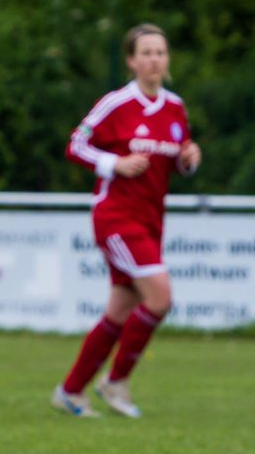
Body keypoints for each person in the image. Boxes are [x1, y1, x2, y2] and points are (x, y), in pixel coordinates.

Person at [52, 23, 201, 418]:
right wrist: (115, 163)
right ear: (132, 60)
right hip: (116, 217)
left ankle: (70, 392)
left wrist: (188, 161)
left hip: (152, 219)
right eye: (147, 52)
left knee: (120, 311)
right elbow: (75, 145)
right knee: (160, 297)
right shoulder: (117, 103)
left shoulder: (174, 107)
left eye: (161, 52)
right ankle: (115, 382)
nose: (155, 59)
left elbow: (178, 154)